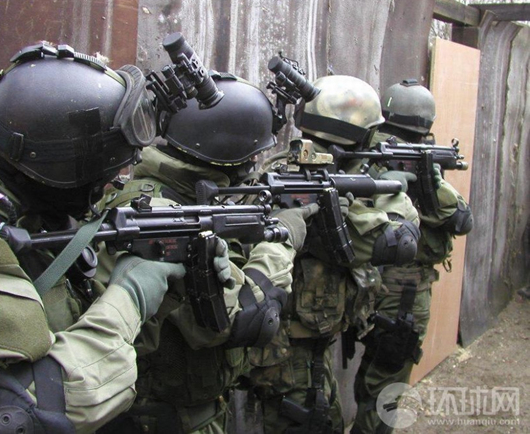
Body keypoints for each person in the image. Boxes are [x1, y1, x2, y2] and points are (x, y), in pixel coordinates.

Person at [0, 42, 188, 433]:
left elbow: (72, 332)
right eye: (106, 171)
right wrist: (130, 296)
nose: (114, 181)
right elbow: (25, 416)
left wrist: (167, 258)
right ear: (64, 168)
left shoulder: (33, 217)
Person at [94, 72, 315, 434]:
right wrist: (282, 237)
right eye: (254, 156)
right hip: (164, 417)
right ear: (231, 157)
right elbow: (247, 319)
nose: (256, 163)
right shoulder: (165, 218)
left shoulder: (162, 193)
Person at [243, 75, 421, 434]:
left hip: (303, 345)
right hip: (290, 351)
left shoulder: (283, 170)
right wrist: (391, 190)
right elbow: (400, 242)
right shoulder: (309, 187)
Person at [350, 79, 473, 434]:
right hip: (404, 290)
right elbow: (461, 220)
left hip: (362, 283)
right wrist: (430, 182)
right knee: (386, 384)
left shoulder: (364, 150)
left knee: (374, 375)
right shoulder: (398, 161)